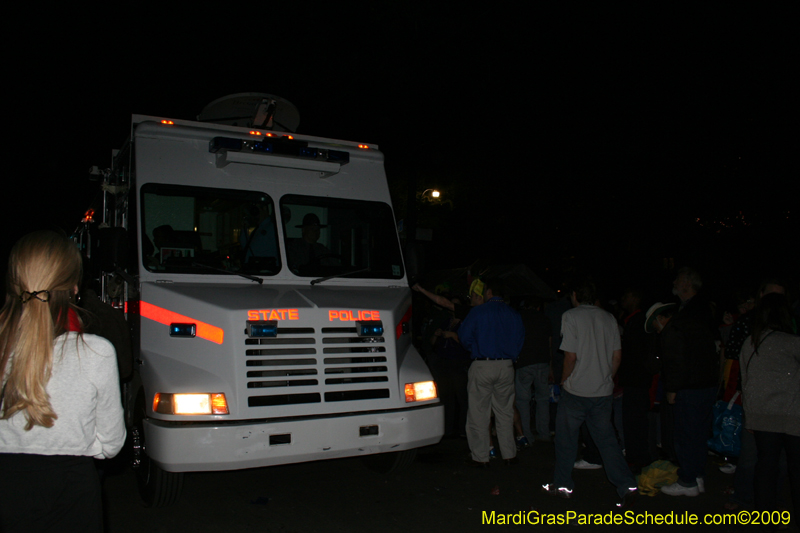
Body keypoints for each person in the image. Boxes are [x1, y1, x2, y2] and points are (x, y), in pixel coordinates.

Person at [0, 231, 126, 533]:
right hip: (71, 489)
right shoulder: (95, 352)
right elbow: (111, 444)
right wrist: (76, 444)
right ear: (73, 288)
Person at [543, 279, 637, 506]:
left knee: (566, 439)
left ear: (575, 295)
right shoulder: (609, 318)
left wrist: (564, 380)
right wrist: (606, 377)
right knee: (607, 440)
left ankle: (563, 485)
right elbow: (617, 356)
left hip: (576, 391)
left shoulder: (571, 316)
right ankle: (627, 485)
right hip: (602, 392)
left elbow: (570, 356)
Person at [646, 297, 718, 497]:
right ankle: (697, 475)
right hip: (706, 386)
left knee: (684, 435)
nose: (657, 331)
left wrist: (672, 389)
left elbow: (675, 362)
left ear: (661, 318)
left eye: (655, 326)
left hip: (689, 389)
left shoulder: (674, 329)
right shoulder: (695, 325)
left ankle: (687, 481)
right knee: (699, 434)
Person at [738, 293, 800, 522]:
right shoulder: (793, 342)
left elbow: (746, 381)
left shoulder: (751, 342)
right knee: (796, 469)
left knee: (766, 466)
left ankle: (766, 520)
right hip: (793, 414)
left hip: (762, 414)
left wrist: (750, 416)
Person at [458, 278, 524, 466]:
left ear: (489, 292)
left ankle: (481, 457)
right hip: (506, 366)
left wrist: (476, 347)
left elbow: (464, 337)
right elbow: (520, 340)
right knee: (505, 412)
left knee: (479, 413)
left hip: (483, 364)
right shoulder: (514, 314)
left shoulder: (478, 312)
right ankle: (509, 455)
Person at [514, 297, 552, 445]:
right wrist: (550, 366)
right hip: (542, 362)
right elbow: (549, 343)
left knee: (523, 401)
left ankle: (527, 435)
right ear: (538, 307)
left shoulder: (520, 318)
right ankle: (544, 433)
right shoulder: (545, 319)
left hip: (524, 362)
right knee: (543, 399)